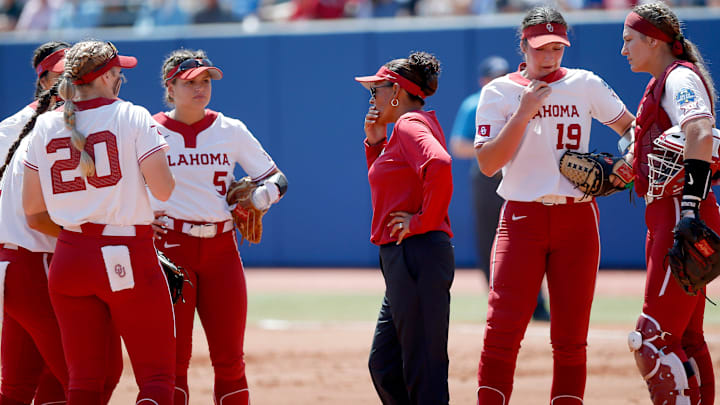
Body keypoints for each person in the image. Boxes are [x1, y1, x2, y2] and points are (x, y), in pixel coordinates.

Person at [474, 6, 635, 404]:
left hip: (576, 218)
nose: (549, 56)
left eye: (557, 48)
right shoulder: (500, 91)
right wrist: (524, 112)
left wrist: (628, 161)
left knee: (570, 338)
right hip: (522, 218)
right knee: (502, 330)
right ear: (524, 45)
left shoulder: (585, 84)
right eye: (541, 47)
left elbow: (630, 127)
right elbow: (489, 162)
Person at [21, 40, 176, 405]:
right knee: (155, 379)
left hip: (70, 256)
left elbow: (32, 208)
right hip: (128, 251)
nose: (121, 76)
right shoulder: (132, 115)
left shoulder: (44, 124)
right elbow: (164, 189)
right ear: (107, 76)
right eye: (118, 70)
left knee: (83, 384)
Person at [150, 49, 287, 405]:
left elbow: (277, 179)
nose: (201, 88)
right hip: (171, 251)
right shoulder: (149, 129)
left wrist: (257, 199)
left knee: (229, 360)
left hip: (221, 250)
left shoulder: (230, 130)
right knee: (175, 361)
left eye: (206, 81)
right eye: (191, 82)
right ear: (171, 85)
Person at [621, 3, 717, 403]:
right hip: (669, 211)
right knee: (687, 338)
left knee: (651, 340)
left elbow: (700, 129)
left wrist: (690, 207)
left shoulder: (678, 77)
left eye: (628, 41)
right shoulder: (662, 81)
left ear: (653, 40)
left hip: (680, 211)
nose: (623, 50)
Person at [355, 51, 455, 404]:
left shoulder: (411, 123)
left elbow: (440, 163)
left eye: (376, 90)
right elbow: (392, 184)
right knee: (384, 364)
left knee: (422, 367)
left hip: (418, 252)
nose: (372, 98)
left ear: (395, 91)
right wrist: (375, 142)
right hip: (404, 257)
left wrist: (422, 220)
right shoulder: (403, 129)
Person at [450, 55, 550, 322]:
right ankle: (500, 302)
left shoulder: (527, 99)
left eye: (503, 74)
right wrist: (495, 149)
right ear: (483, 80)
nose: (500, 80)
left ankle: (537, 305)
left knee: (529, 239)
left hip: (522, 172)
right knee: (488, 243)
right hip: (488, 176)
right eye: (494, 76)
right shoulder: (475, 103)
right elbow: (458, 145)